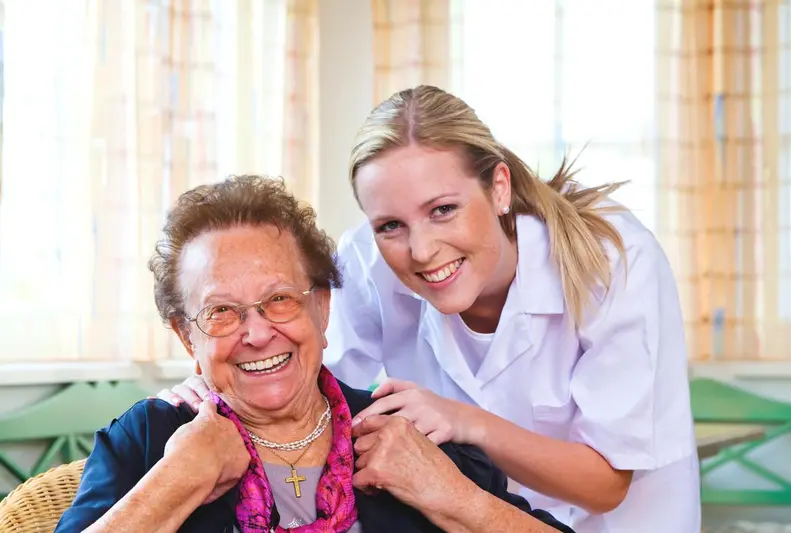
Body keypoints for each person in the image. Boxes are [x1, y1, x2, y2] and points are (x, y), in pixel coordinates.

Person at [158, 86, 701, 532]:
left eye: (443, 210)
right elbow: (310, 391)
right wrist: (216, 380)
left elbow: (605, 485)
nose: (420, 251)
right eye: (390, 225)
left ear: (499, 187)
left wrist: (463, 422)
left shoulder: (613, 260)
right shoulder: (366, 264)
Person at [54, 176, 572, 533]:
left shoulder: (403, 432)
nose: (256, 334)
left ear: (322, 310)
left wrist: (450, 494)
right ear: (189, 338)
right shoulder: (150, 441)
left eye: (279, 299)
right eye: (222, 312)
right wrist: (176, 481)